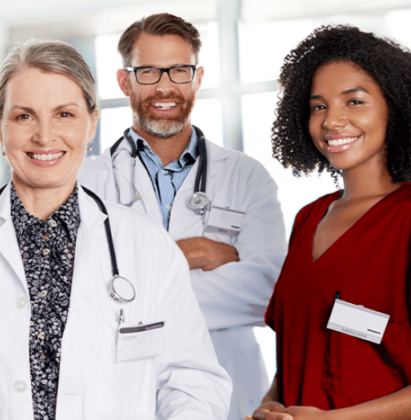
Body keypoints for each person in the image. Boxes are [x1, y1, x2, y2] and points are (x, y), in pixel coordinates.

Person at [0, 39, 230, 419]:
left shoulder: (147, 245)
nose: (44, 136)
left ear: (92, 123)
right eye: (24, 116)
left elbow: (191, 380)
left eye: (64, 115)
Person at [252, 25, 411, 420]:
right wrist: (270, 406)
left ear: (395, 108)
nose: (332, 120)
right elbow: (302, 350)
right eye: (319, 106)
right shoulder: (309, 219)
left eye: (354, 101)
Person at [77, 13, 286, 419]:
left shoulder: (246, 176)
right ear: (125, 82)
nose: (165, 86)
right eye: (150, 71)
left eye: (179, 70)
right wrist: (189, 253)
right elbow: (82, 292)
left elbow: (267, 290)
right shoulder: (87, 182)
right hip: (121, 392)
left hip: (230, 390)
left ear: (198, 77)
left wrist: (132, 285)